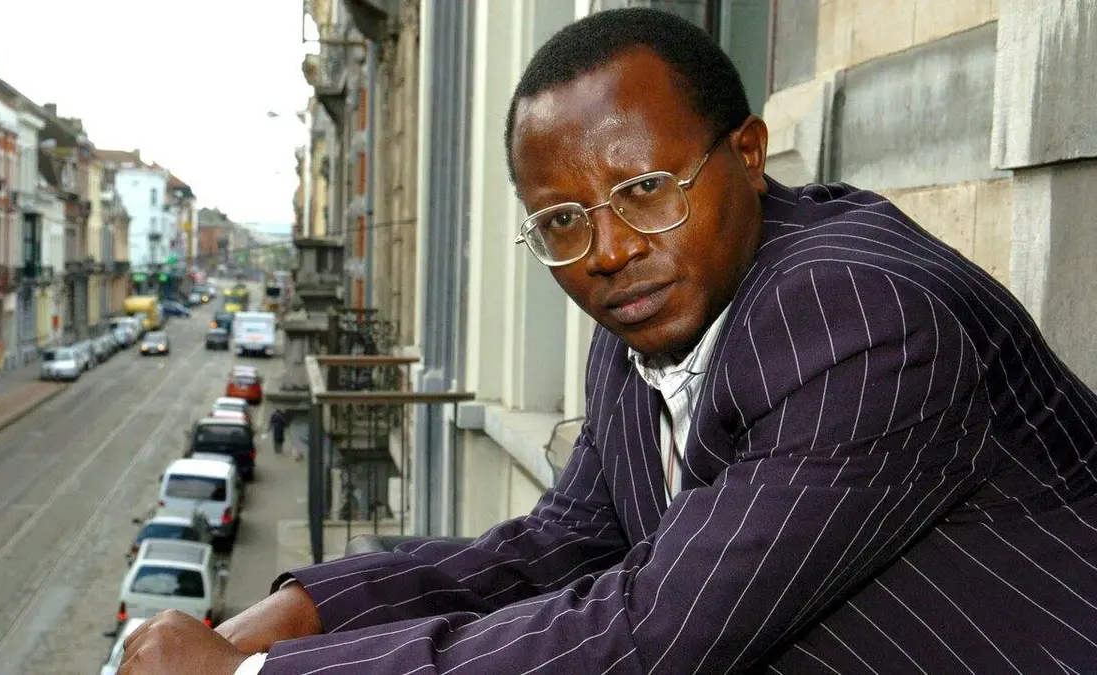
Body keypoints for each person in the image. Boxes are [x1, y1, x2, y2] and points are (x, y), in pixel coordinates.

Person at [117, 8, 1097, 674]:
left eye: (646, 190)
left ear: (749, 155)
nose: (609, 250)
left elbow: (652, 633)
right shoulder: (652, 314)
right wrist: (308, 609)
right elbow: (560, 543)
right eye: (561, 221)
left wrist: (258, 673)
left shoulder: (857, 316)